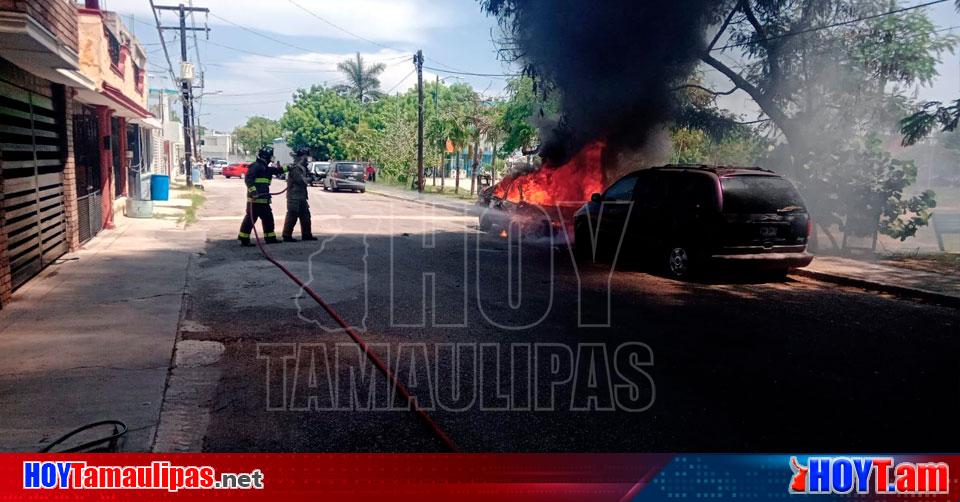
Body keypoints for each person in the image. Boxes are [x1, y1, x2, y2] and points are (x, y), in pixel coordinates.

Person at [237, 146, 286, 246]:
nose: (271, 158)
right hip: (255, 201)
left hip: (263, 200)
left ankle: (270, 238)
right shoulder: (256, 166)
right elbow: (249, 180)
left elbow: (277, 170)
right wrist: (253, 192)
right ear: (266, 156)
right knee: (250, 220)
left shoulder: (265, 167)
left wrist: (289, 167)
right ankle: (244, 239)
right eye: (270, 156)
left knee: (268, 220)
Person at [281, 147, 317, 242]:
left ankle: (307, 235)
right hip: (294, 197)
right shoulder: (296, 168)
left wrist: (313, 176)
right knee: (292, 215)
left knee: (306, 216)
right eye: (306, 157)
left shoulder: (302, 168)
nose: (308, 159)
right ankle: (287, 235)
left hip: (301, 196)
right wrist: (311, 179)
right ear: (302, 157)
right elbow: (300, 181)